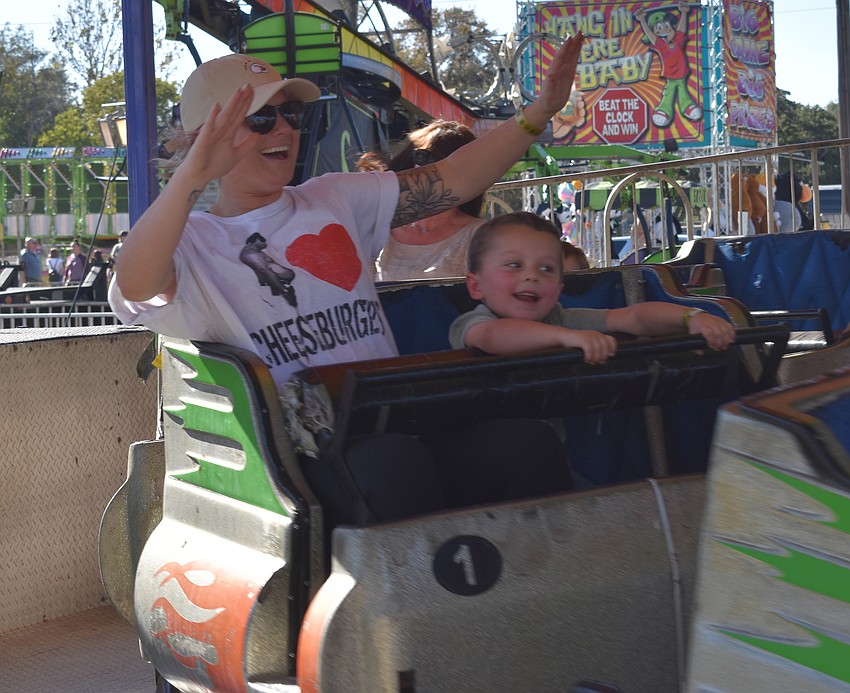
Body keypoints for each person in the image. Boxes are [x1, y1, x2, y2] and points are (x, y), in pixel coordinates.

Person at [109, 38, 586, 521]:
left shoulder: (332, 196)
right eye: (261, 118)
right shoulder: (190, 239)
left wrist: (539, 113)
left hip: (395, 422)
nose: (284, 128)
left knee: (524, 445)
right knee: (392, 465)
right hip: (297, 459)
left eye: (290, 113)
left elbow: (455, 179)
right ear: (203, 138)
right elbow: (135, 283)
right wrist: (192, 175)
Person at [449, 212, 736, 361]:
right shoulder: (475, 323)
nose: (531, 276)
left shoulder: (560, 319)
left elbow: (633, 317)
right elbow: (493, 336)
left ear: (559, 288)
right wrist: (567, 339)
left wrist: (691, 318)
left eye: (546, 269)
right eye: (514, 265)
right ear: (476, 286)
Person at [357, 120, 486, 281]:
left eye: (445, 162)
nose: (434, 169)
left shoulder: (481, 235)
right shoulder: (375, 227)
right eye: (424, 156)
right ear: (410, 160)